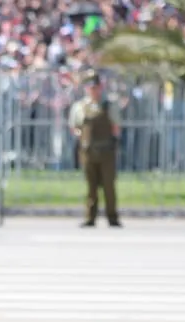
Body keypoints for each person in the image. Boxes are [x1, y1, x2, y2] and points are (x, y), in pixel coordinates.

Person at [68, 70, 121, 228]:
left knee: (109, 186)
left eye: (96, 87)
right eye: (91, 87)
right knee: (91, 186)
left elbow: (116, 127)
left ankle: (112, 217)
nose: (93, 90)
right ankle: (90, 217)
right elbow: (74, 126)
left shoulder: (109, 105)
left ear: (100, 87)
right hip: (88, 152)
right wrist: (82, 137)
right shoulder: (79, 107)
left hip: (106, 151)